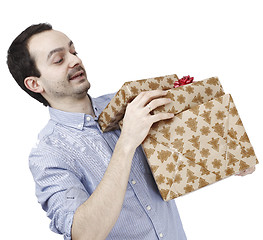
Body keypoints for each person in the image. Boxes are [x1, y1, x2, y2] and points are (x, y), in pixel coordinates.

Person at [7, 23, 254, 240]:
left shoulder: (128, 104)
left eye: (73, 51)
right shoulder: (49, 155)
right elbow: (83, 234)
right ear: (34, 83)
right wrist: (126, 142)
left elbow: (183, 154)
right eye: (59, 59)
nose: (75, 60)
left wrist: (229, 155)